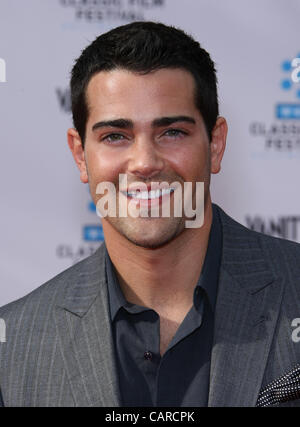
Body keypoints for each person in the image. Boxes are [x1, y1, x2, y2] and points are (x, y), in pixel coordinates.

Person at [1, 21, 300, 408]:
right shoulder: (15, 347)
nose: (144, 162)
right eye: (115, 136)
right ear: (80, 155)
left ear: (215, 145)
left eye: (172, 132)